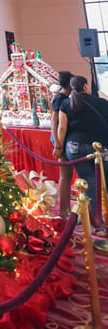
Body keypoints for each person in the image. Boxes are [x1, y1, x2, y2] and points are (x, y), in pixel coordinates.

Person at [56, 75, 108, 226]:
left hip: (75, 148)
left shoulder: (66, 104)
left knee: (90, 184)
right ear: (86, 86)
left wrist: (58, 147)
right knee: (106, 181)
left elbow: (62, 127)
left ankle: (98, 226)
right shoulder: (102, 102)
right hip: (101, 146)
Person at [51, 71, 73, 216]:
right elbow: (55, 123)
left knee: (67, 175)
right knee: (64, 175)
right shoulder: (59, 98)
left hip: (63, 138)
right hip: (60, 138)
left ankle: (67, 209)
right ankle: (64, 211)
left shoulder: (64, 97)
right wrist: (58, 145)